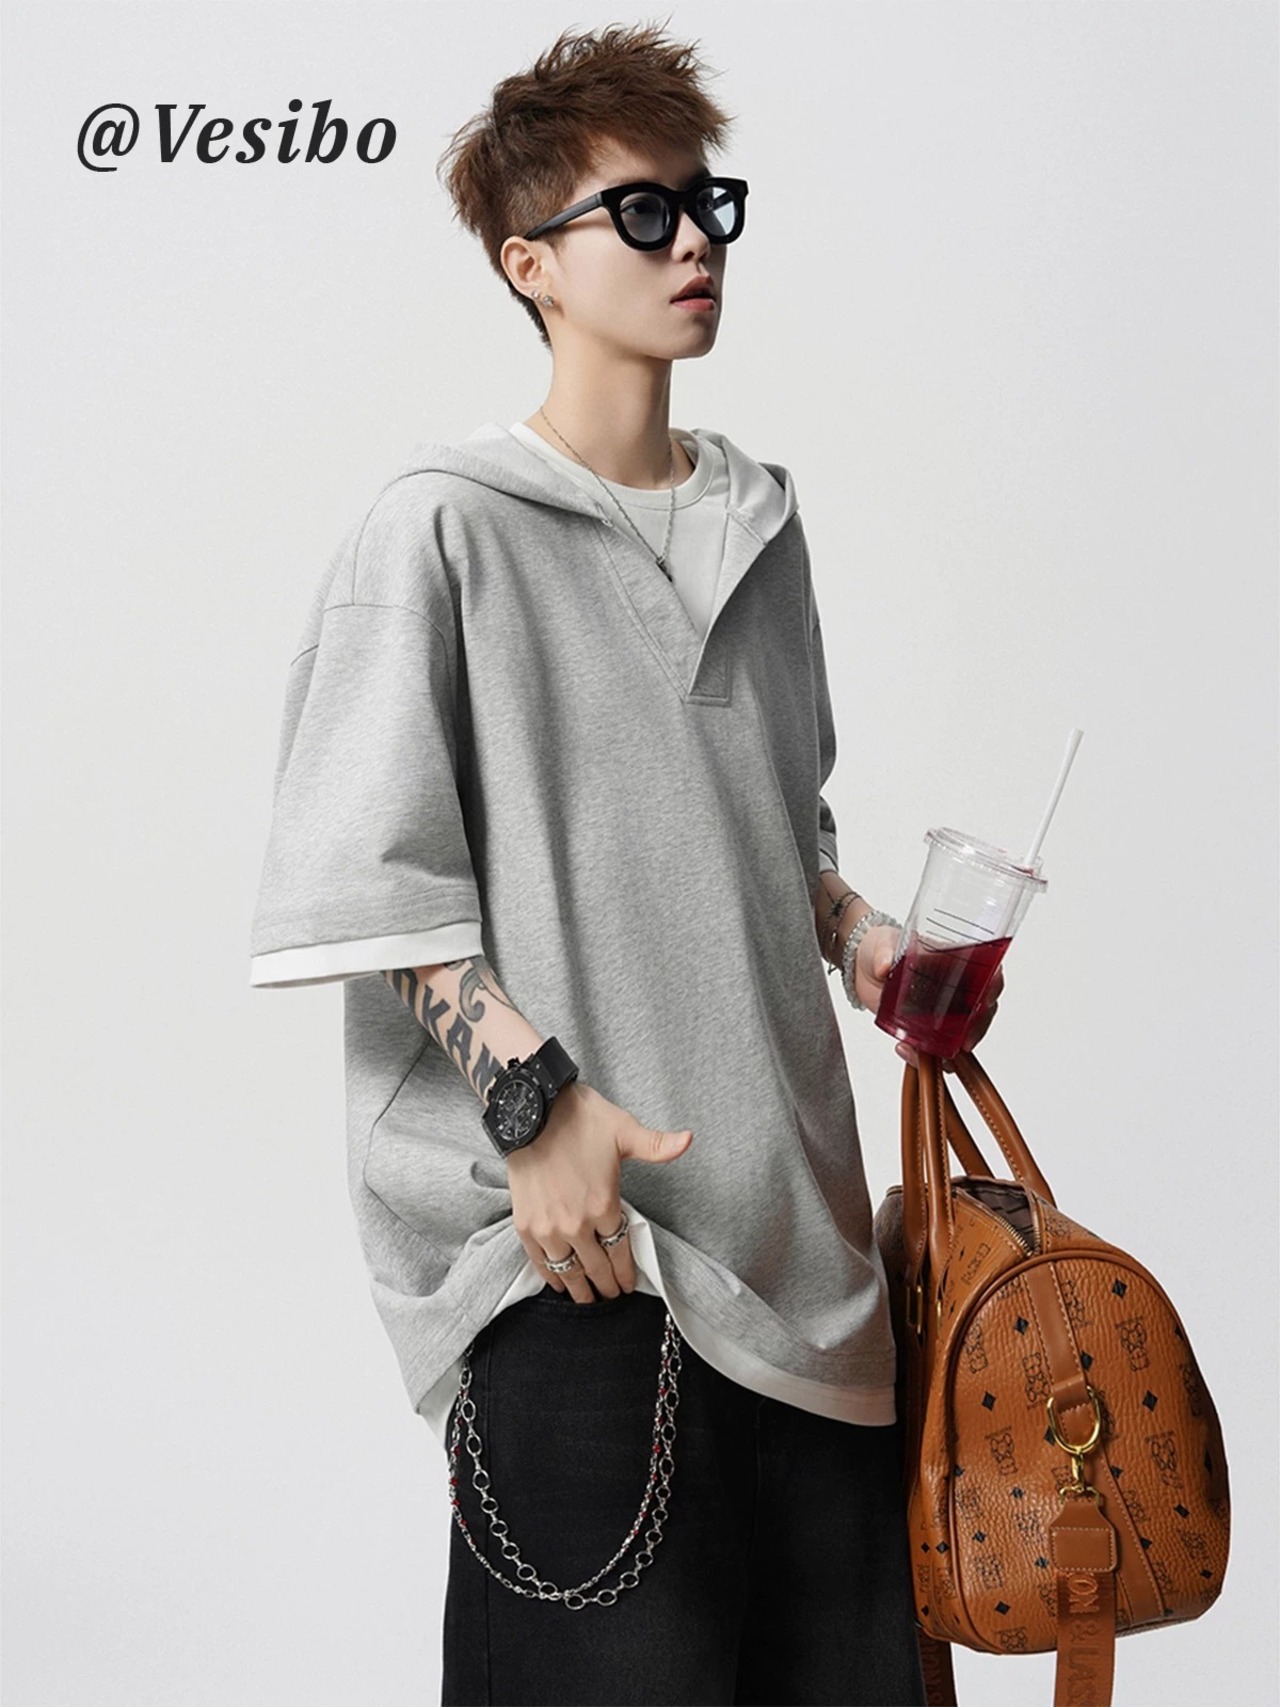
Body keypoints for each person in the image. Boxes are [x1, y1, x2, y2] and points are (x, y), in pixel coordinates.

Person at [248, 22, 1001, 1706]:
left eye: (706, 204)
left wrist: (865, 940)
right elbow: (361, 878)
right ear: (529, 263)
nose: (693, 244)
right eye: (640, 214)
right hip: (585, 1267)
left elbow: (775, 824)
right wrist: (537, 1107)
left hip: (816, 1279)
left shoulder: (766, 524)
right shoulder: (439, 528)